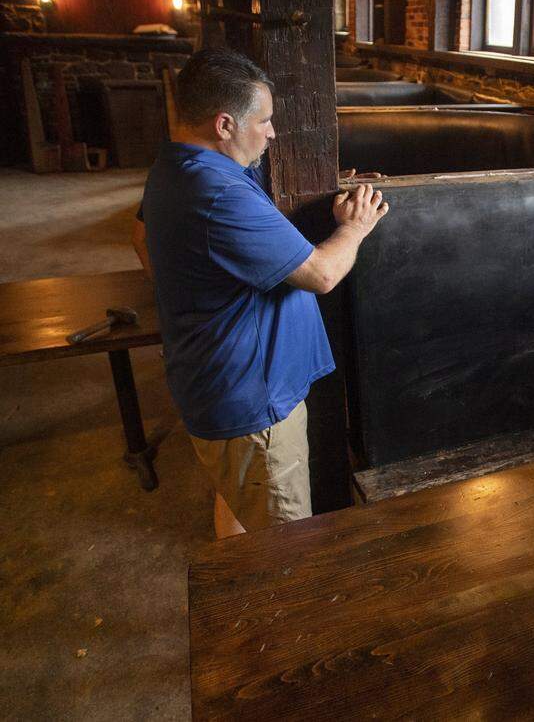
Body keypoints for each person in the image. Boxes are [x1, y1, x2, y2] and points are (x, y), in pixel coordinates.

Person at [132, 48, 388, 539]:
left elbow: (140, 238)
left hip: (215, 381)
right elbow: (322, 274)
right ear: (224, 123)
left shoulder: (175, 167)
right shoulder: (219, 194)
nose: (272, 133)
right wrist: (356, 227)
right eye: (265, 121)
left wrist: (194, 295)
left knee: (238, 499)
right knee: (282, 544)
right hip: (252, 401)